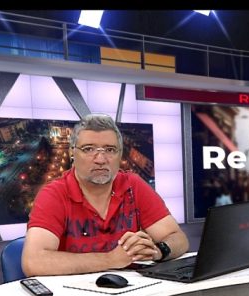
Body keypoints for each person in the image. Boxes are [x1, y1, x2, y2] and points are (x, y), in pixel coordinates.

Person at [22, 114, 189, 276]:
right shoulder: (54, 194)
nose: (101, 159)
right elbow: (34, 261)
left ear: (120, 154)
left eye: (110, 150)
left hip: (132, 287)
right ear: (72, 153)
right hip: (74, 291)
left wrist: (156, 251)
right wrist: (111, 259)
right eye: (89, 149)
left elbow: (178, 239)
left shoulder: (133, 185)